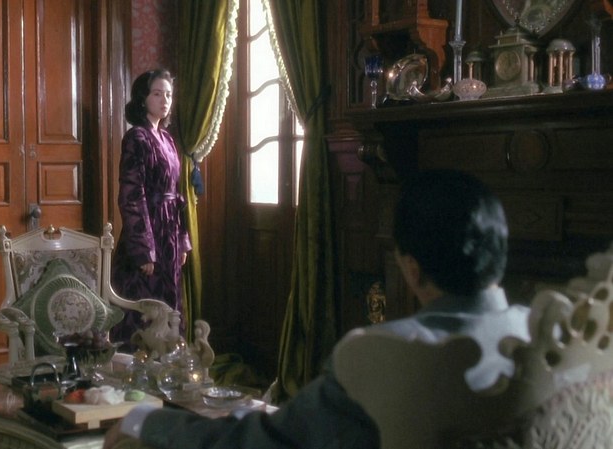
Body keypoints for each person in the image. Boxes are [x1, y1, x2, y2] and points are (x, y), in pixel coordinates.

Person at [102, 169, 531, 449]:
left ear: (412, 269)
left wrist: (147, 422)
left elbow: (267, 442)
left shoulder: (381, 354)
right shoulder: (549, 337)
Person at [111, 69, 192, 346]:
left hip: (169, 233)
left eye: (168, 95)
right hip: (147, 232)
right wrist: (143, 249)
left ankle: (167, 364)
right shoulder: (136, 138)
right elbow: (131, 195)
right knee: (143, 308)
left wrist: (182, 240)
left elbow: (177, 195)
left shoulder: (167, 139)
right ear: (143, 98)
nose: (164, 100)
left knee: (169, 307)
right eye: (157, 94)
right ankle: (136, 366)